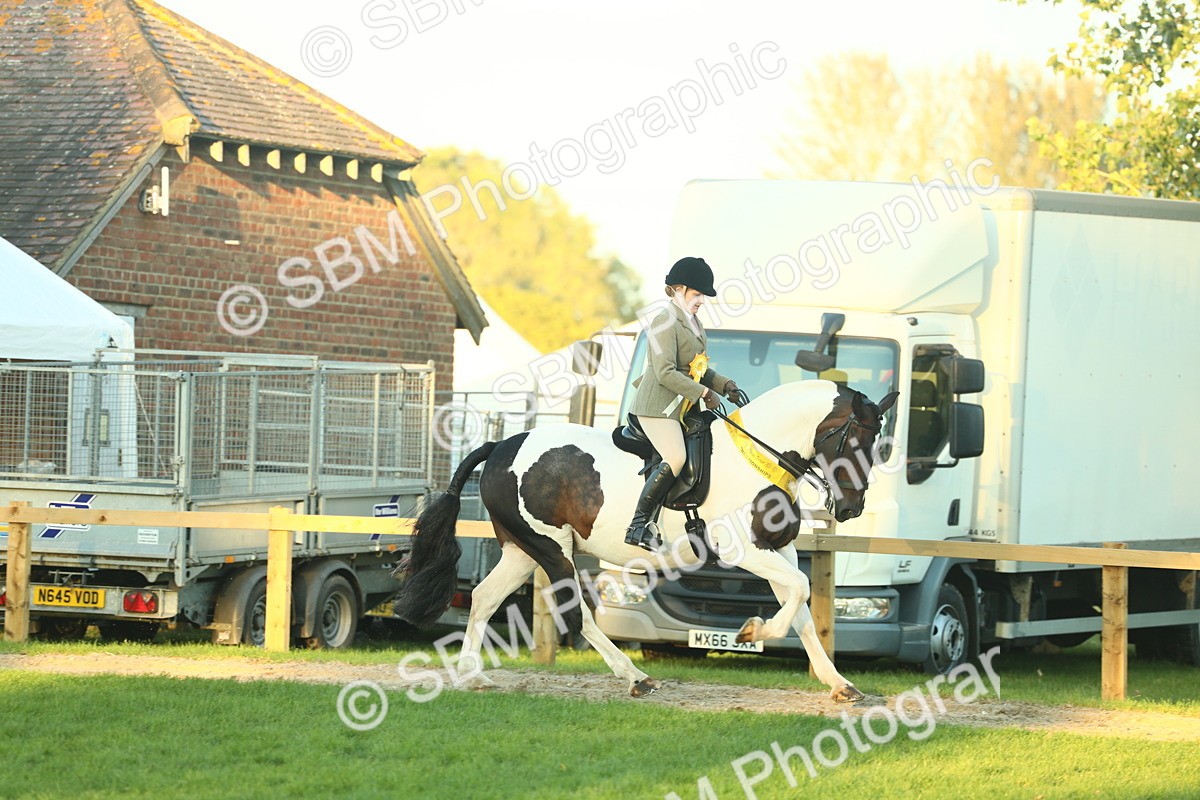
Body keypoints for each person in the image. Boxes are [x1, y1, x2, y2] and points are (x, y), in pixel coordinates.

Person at [624, 256, 741, 551]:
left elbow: (695, 369)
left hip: (680, 406)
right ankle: (638, 525)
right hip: (656, 406)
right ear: (678, 290)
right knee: (676, 457)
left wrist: (724, 384)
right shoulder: (664, 322)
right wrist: (702, 394)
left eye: (703, 296)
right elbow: (665, 372)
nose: (701, 300)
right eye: (697, 294)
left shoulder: (693, 323)